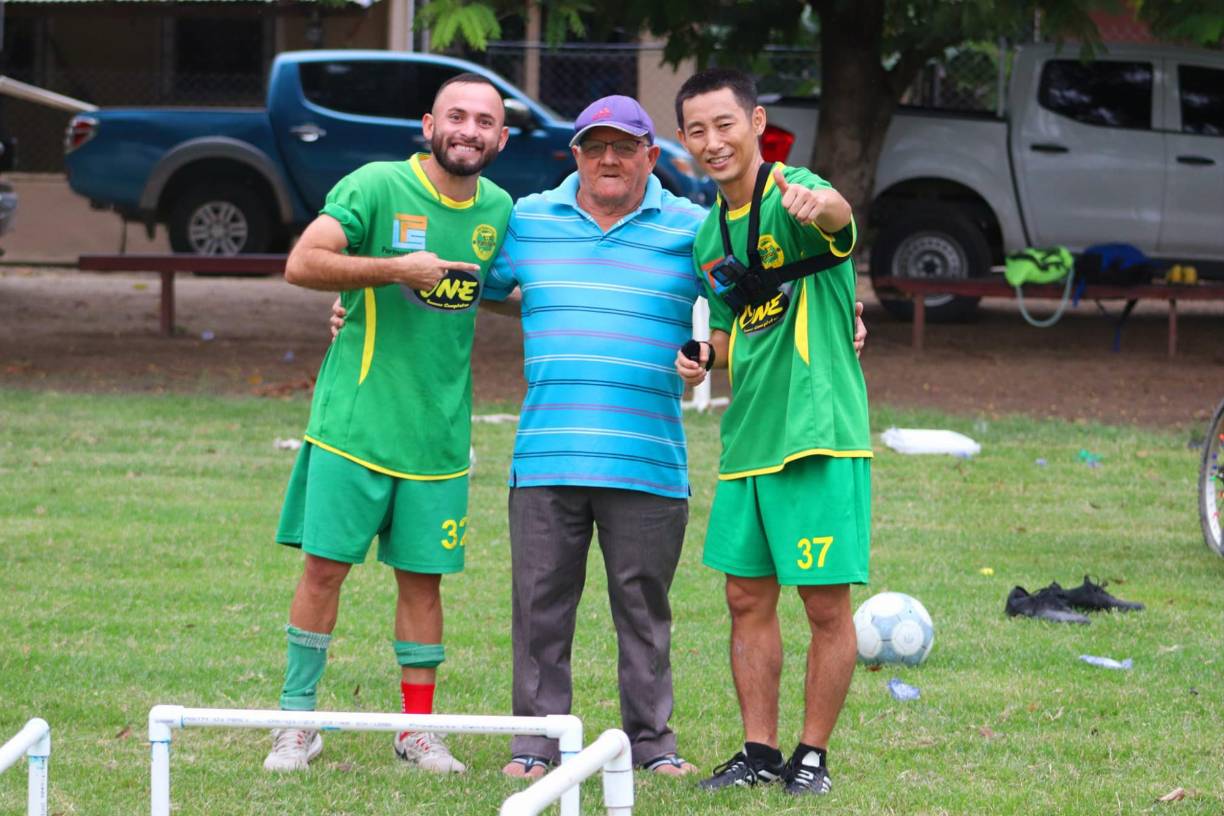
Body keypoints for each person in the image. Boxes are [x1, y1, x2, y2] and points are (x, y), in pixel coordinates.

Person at [330, 95, 866, 781]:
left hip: (650, 459)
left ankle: (652, 745)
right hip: (546, 455)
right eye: (594, 147)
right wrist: (357, 296)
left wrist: (841, 308)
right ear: (575, 154)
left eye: (625, 147)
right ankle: (534, 745)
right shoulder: (527, 221)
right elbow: (460, 280)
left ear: (651, 155)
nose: (609, 159)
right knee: (538, 613)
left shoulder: (691, 228)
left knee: (645, 614)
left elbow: (756, 293)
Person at [262, 73, 512, 774]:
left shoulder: (499, 209)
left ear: (501, 138)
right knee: (323, 571)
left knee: (423, 583)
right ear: (428, 125)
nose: (468, 130)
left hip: (437, 438)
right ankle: (296, 724)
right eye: (455, 117)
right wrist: (391, 270)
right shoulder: (375, 185)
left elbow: (506, 293)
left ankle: (416, 732)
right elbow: (303, 261)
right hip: (355, 428)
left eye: (484, 121)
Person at [673, 68, 872, 797]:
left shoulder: (796, 190)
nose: (712, 141)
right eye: (696, 130)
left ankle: (810, 757)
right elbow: (728, 334)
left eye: (724, 124)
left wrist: (820, 203)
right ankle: (758, 752)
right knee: (744, 600)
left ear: (755, 121)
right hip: (748, 440)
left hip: (816, 434)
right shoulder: (707, 235)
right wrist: (701, 360)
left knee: (824, 604)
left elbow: (839, 222)